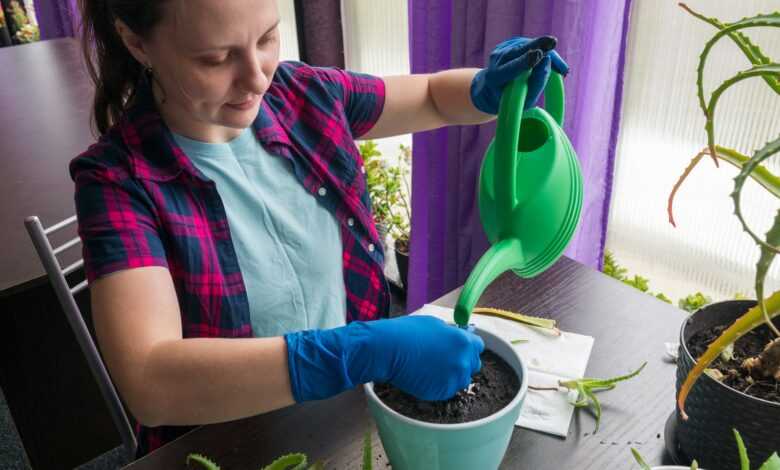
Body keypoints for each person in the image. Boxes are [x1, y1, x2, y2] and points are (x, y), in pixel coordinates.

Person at [71, 0, 569, 457]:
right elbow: (152, 383)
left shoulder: (304, 95)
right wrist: (364, 350)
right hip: (230, 445)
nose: (256, 79)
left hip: (343, 422)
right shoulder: (118, 183)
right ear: (137, 43)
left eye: (267, 38)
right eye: (215, 59)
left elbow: (435, 98)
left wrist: (489, 89)